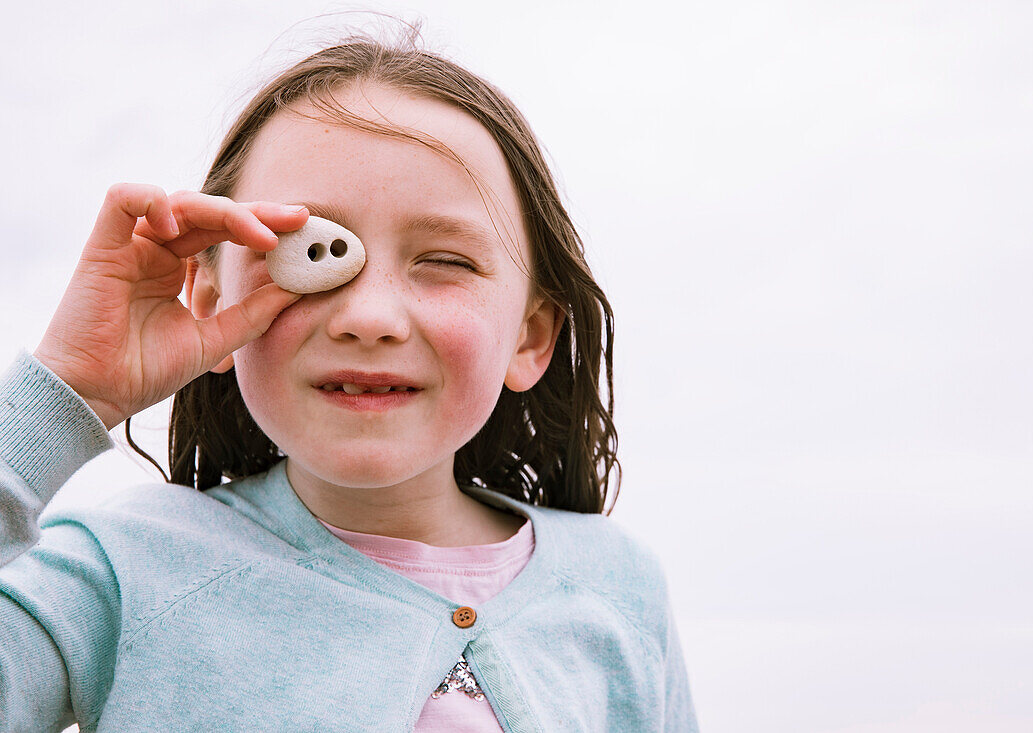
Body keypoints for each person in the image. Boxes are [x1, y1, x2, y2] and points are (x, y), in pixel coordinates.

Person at [0, 27, 698, 732]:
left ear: (530, 335)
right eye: (314, 252)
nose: (369, 317)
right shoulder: (122, 570)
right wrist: (65, 392)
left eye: (446, 261)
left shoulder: (620, 590)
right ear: (211, 302)